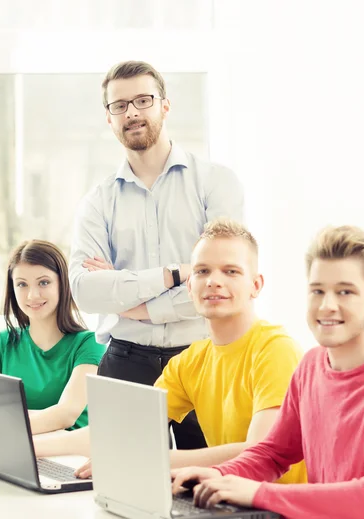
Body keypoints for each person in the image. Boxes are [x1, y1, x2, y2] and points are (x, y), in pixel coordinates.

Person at [0, 219, 305, 485]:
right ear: (189, 286)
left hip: (276, 508)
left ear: (256, 285)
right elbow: (115, 430)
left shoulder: (273, 349)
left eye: (231, 271)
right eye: (202, 271)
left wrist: (148, 461)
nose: (213, 281)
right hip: (232, 500)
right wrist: (21, 448)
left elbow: (257, 454)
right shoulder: (190, 362)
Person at [172, 225, 364, 518]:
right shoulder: (311, 366)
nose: (327, 306)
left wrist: (258, 493)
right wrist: (213, 474)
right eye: (318, 291)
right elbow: (273, 454)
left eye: (345, 292)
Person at [68, 60, 244, 449]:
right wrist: (175, 273)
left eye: (143, 100)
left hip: (204, 357)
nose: (132, 112)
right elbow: (85, 291)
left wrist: (134, 305)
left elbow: (223, 282)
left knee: (212, 487)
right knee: (119, 487)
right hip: (124, 362)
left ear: (165, 106)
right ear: (109, 118)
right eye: (119, 105)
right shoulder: (97, 202)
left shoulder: (215, 183)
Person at [0, 240, 105, 445]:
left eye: (44, 282)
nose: (32, 295)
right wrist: (21, 420)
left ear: (63, 284)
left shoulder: (89, 343)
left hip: (66, 456)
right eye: (22, 284)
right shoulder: (5, 342)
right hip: (15, 448)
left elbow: (66, 414)